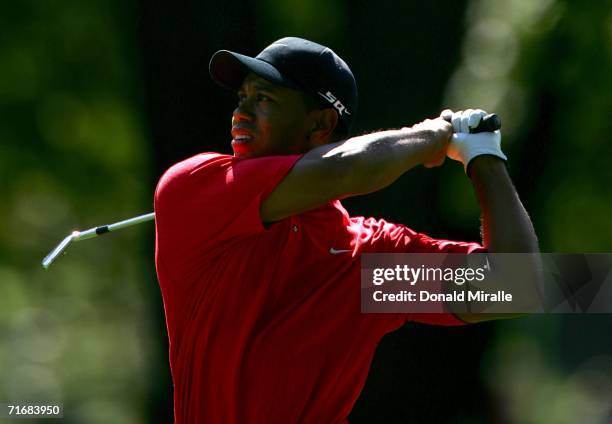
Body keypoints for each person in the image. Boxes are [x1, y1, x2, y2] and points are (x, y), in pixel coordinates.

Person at [154, 37, 538, 423]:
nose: (241, 113)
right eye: (242, 97)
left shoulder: (366, 264)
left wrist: (485, 158)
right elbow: (343, 169)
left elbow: (513, 286)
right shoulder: (196, 191)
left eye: (264, 99)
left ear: (321, 123)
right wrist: (431, 135)